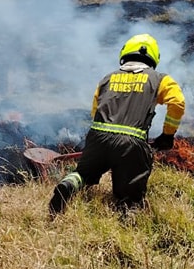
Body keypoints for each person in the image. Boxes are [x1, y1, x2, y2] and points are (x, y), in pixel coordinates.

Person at [49, 33, 185, 215]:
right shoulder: (160, 79)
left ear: (125, 53)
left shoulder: (107, 78)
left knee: (84, 173)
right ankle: (127, 221)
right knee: (130, 197)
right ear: (153, 57)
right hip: (130, 143)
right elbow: (177, 103)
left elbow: (95, 111)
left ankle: (68, 184)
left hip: (98, 136)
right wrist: (168, 134)